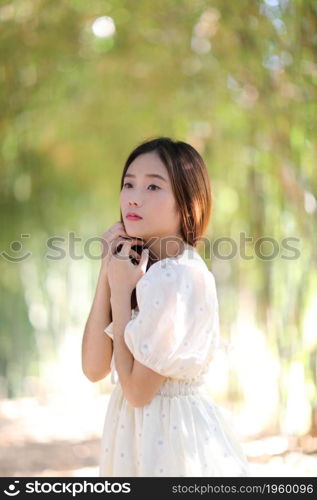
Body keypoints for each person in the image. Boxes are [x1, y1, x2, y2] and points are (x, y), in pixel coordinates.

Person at [82, 136, 250, 477]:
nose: (134, 197)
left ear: (186, 204)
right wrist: (108, 272)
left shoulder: (178, 278)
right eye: (128, 184)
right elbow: (93, 368)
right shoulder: (145, 272)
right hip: (140, 435)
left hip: (168, 442)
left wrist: (119, 291)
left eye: (153, 187)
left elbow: (137, 391)